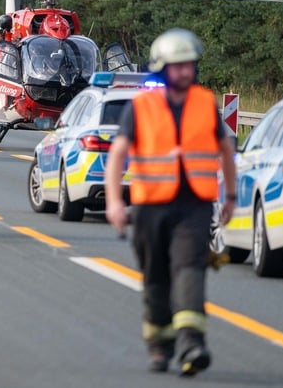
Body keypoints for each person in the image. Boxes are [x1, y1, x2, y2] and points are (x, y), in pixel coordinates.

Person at [104, 28, 236, 376]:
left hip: (194, 205)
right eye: (178, 66)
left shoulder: (204, 103)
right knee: (156, 276)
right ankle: (159, 346)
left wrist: (231, 196)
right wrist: (115, 202)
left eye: (190, 65)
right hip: (150, 207)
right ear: (162, 67)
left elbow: (225, 149)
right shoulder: (141, 107)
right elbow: (118, 154)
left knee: (190, 268)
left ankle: (193, 343)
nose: (186, 71)